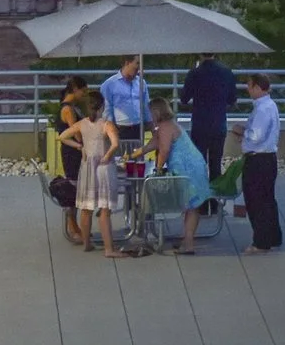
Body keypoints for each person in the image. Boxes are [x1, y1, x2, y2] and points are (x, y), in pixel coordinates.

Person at [60, 91, 121, 258]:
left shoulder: (82, 124)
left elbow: (62, 136)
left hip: (87, 168)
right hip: (103, 168)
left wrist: (79, 146)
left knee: (86, 208)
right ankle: (109, 248)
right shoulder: (106, 125)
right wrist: (108, 155)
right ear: (102, 106)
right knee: (104, 209)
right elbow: (115, 144)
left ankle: (86, 243)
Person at [147, 98, 211, 254]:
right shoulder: (168, 125)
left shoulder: (165, 127)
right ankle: (187, 240)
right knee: (192, 205)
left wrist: (158, 169)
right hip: (193, 166)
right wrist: (135, 153)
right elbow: (154, 144)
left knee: (192, 204)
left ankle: (188, 244)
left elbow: (164, 150)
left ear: (156, 113)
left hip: (188, 169)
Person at [178, 49, 238, 200]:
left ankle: (202, 200)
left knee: (199, 163)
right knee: (216, 163)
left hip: (200, 123)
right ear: (215, 53)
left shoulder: (195, 73)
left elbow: (184, 98)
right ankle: (215, 200)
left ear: (200, 54)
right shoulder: (226, 72)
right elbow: (232, 99)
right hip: (218, 123)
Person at [239, 72, 283, 253]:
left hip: (259, 158)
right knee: (267, 199)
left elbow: (257, 136)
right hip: (267, 158)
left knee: (257, 200)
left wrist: (241, 132)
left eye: (249, 85)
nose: (247, 89)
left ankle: (261, 241)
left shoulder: (263, 109)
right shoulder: (269, 105)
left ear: (257, 87)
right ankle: (272, 236)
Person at [55, 74, 90, 245]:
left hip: (72, 152)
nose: (84, 94)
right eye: (83, 91)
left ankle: (75, 226)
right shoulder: (68, 109)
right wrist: (84, 143)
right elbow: (75, 131)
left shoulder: (71, 106)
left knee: (76, 186)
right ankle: (72, 225)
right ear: (75, 89)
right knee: (74, 187)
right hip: (72, 153)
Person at [100, 54, 148, 147]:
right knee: (120, 159)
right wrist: (111, 129)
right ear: (127, 63)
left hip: (138, 128)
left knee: (138, 158)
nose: (139, 67)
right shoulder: (109, 84)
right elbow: (106, 110)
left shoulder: (141, 82)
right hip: (119, 128)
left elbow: (145, 106)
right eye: (137, 63)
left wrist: (151, 125)